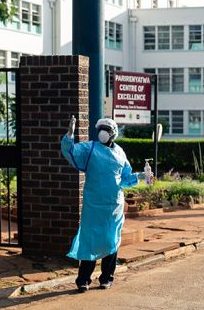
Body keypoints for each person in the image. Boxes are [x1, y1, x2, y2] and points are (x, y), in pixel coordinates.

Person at [61, 116, 152, 293]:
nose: (103, 132)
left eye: (107, 129)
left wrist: (140, 176)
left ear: (114, 133)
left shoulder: (120, 153)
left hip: (114, 206)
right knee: (90, 240)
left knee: (111, 241)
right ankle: (83, 280)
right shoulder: (90, 148)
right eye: (101, 128)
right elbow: (70, 152)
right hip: (94, 205)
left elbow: (125, 178)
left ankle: (106, 278)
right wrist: (69, 136)